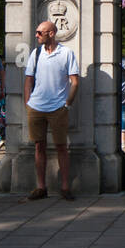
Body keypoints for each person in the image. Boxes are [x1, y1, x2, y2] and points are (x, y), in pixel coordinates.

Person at [23, 20, 79, 200]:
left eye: (40, 32)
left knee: (61, 147)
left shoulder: (66, 53)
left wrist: (67, 103)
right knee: (39, 146)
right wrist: (28, 103)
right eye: (37, 31)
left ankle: (65, 187)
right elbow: (28, 80)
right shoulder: (36, 53)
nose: (37, 35)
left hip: (58, 107)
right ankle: (41, 187)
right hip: (36, 106)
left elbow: (75, 81)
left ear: (51, 33)